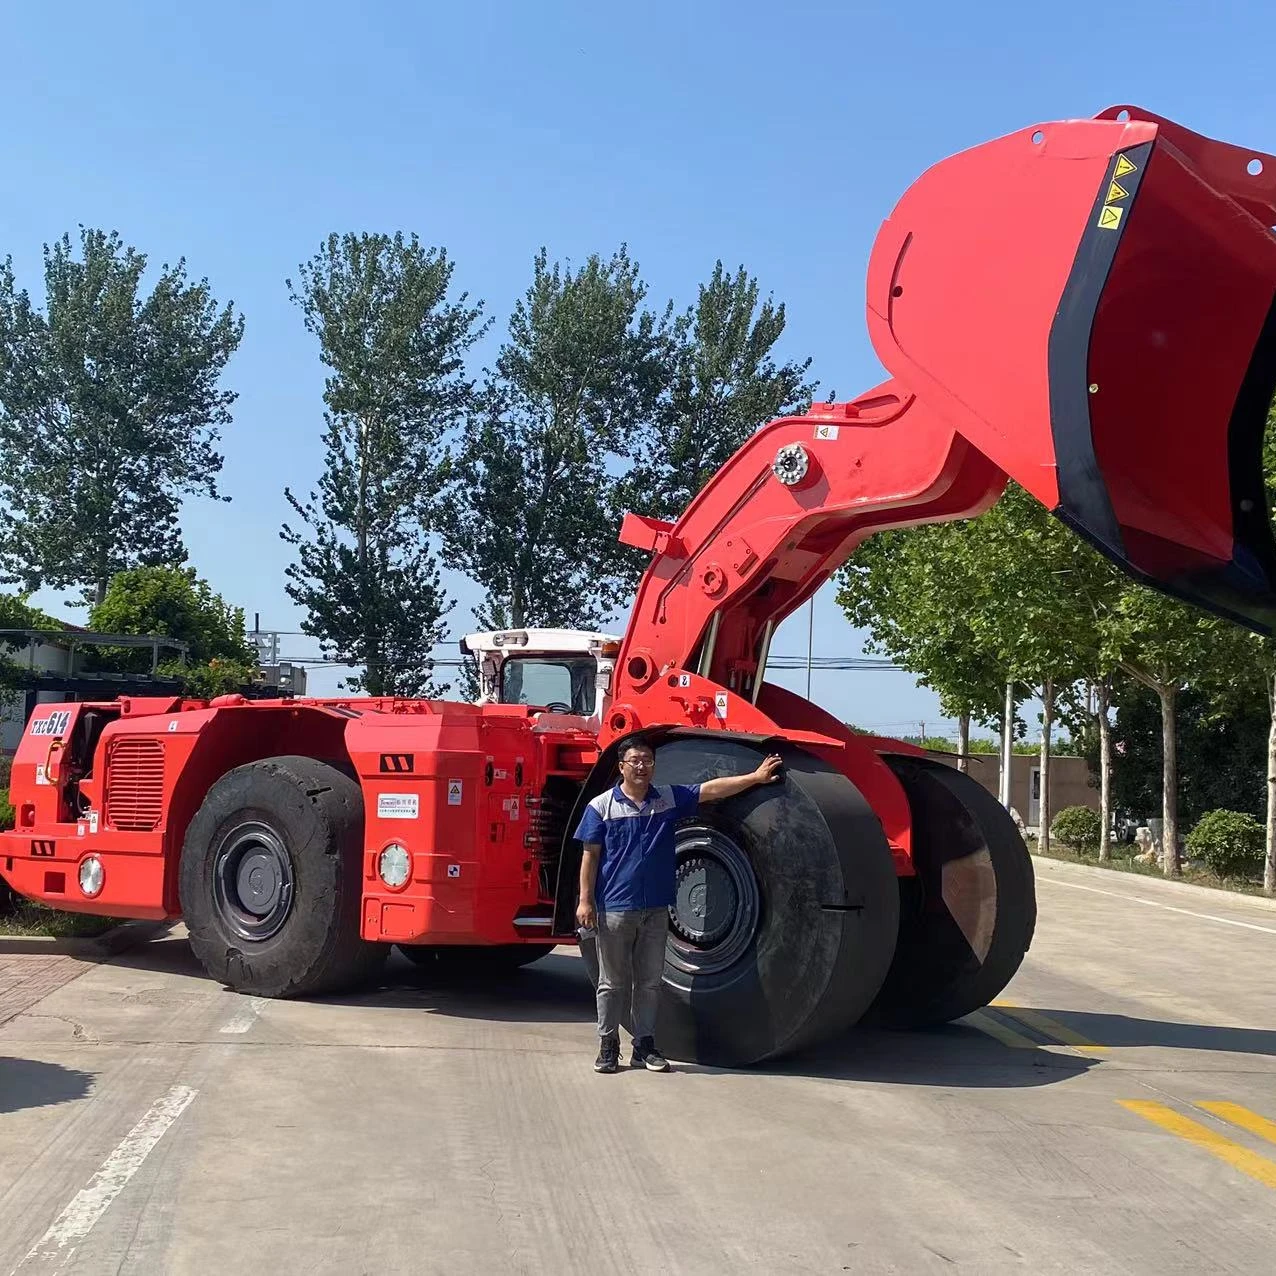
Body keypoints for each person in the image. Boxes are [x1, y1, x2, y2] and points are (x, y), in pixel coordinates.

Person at [574, 736, 783, 1073]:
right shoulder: (601, 807)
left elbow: (711, 790)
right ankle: (608, 1046)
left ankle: (644, 1045)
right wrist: (585, 901)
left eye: (647, 760)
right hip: (614, 907)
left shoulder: (667, 799)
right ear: (621, 766)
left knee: (649, 981)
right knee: (612, 982)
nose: (642, 766)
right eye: (635, 760)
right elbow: (590, 856)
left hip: (656, 908)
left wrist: (754, 778)